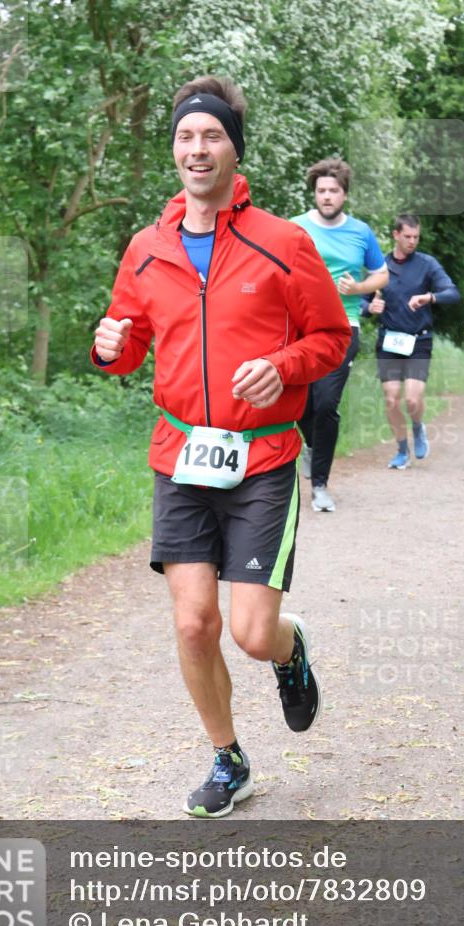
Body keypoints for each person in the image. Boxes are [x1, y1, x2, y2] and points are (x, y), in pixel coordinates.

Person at [92, 76, 350, 818]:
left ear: (235, 148)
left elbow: (330, 338)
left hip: (262, 459)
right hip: (180, 457)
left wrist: (282, 367)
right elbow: (128, 341)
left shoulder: (283, 243)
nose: (196, 149)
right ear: (172, 149)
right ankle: (226, 756)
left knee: (249, 631)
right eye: (184, 137)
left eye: (210, 136)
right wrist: (108, 346)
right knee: (192, 622)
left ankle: (289, 647)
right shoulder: (145, 249)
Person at [290, 158, 388, 512]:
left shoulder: (360, 232)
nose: (327, 196)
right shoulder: (294, 228)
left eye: (333, 191)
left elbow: (382, 274)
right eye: (321, 191)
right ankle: (311, 446)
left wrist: (359, 286)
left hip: (344, 326)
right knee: (302, 404)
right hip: (299, 328)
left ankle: (320, 486)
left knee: (327, 404)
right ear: (314, 193)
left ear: (344, 195)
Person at [363, 213, 460, 468]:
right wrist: (369, 307)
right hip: (390, 340)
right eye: (407, 236)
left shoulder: (427, 264)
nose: (412, 241)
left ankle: (417, 427)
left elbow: (452, 293)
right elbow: (360, 297)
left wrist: (429, 297)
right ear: (396, 235)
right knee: (391, 398)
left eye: (416, 237)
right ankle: (402, 450)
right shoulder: (380, 266)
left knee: (413, 400)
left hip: (419, 341)